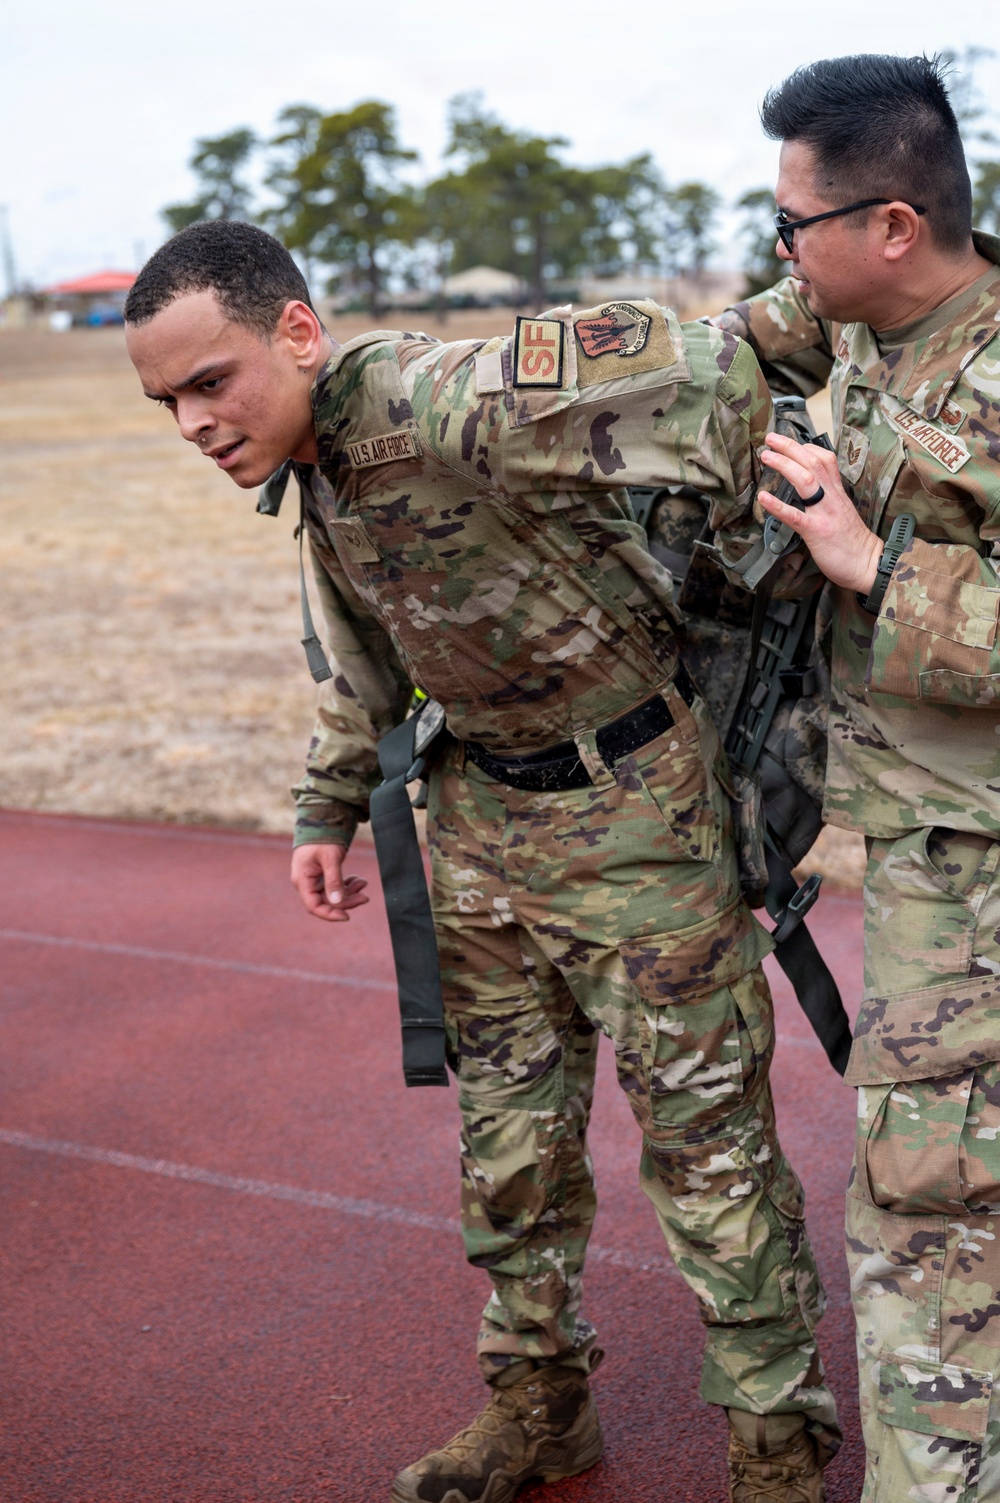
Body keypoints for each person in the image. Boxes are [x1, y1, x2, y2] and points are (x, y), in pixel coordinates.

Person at [123, 219, 841, 1503]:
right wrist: (325, 808)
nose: (192, 422)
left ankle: (777, 1449)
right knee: (509, 1150)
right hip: (476, 829)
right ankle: (539, 1407)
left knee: (708, 1152)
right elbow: (365, 641)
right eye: (165, 400)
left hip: (634, 818)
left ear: (297, 333)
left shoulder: (441, 396)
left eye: (209, 381)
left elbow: (715, 353)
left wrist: (853, 276)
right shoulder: (317, 462)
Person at [709, 52, 1000, 1503]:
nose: (778, 253)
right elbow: (703, 350)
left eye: (791, 224)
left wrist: (873, 564)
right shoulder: (860, 332)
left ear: (891, 222)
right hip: (923, 843)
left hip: (978, 870)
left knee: (927, 1212)